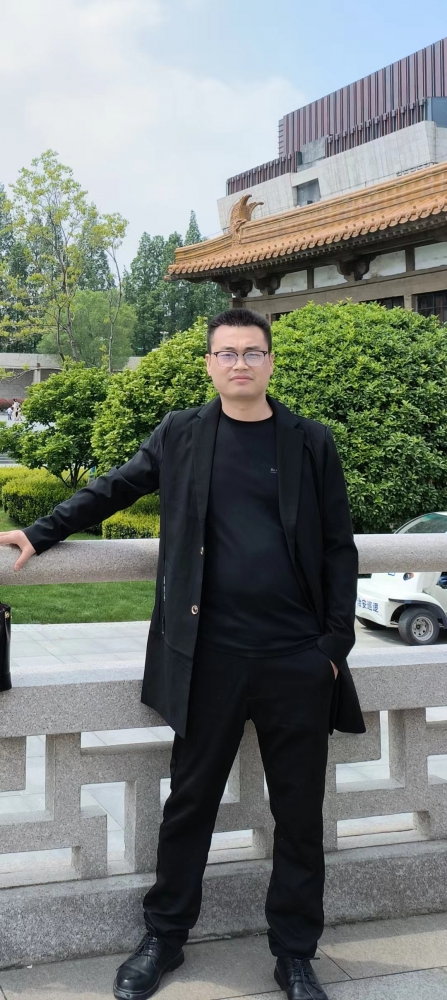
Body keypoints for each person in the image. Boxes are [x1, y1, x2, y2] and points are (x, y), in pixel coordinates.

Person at [0, 308, 365, 1000]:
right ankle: (163, 938)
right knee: (190, 803)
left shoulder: (308, 441)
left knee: (299, 815)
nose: (239, 364)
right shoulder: (183, 433)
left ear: (270, 362)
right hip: (208, 657)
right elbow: (114, 487)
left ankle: (294, 954)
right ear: (209, 364)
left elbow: (337, 546)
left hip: (294, 658)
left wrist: (332, 645)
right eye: (227, 353)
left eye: (252, 352)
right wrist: (40, 532)